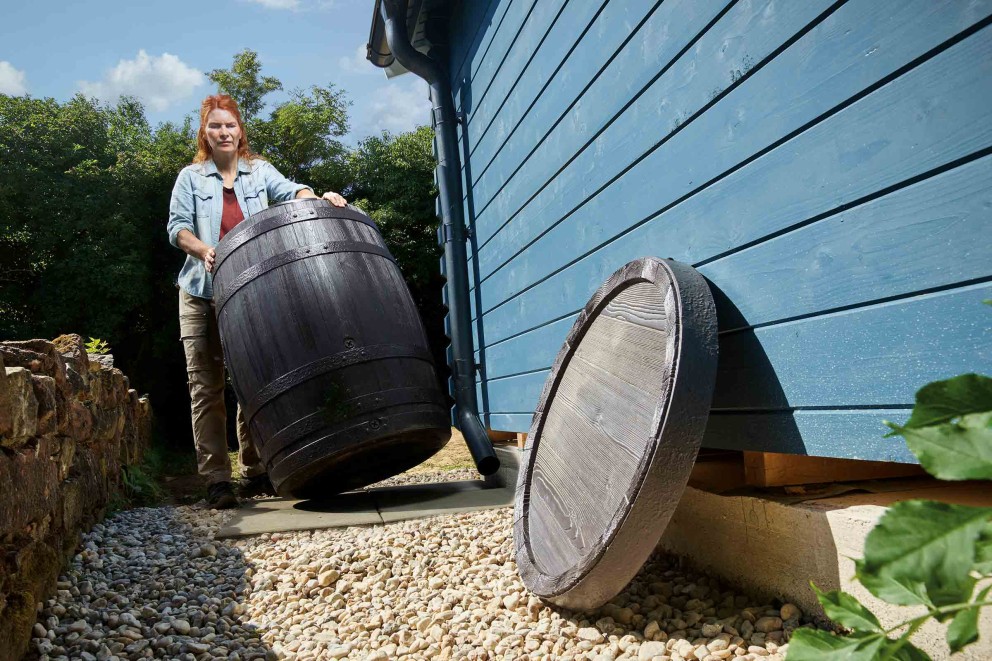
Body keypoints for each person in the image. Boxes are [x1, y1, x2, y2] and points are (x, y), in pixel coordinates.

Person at [166, 94, 347, 509]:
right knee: (206, 388)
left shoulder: (259, 172)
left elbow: (293, 192)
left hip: (250, 292)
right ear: (205, 134)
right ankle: (216, 480)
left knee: (254, 382)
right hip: (199, 293)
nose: (223, 132)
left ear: (239, 130)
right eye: (215, 126)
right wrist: (201, 248)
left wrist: (320, 197)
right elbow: (176, 228)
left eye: (230, 125)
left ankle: (255, 470)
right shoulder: (190, 178)